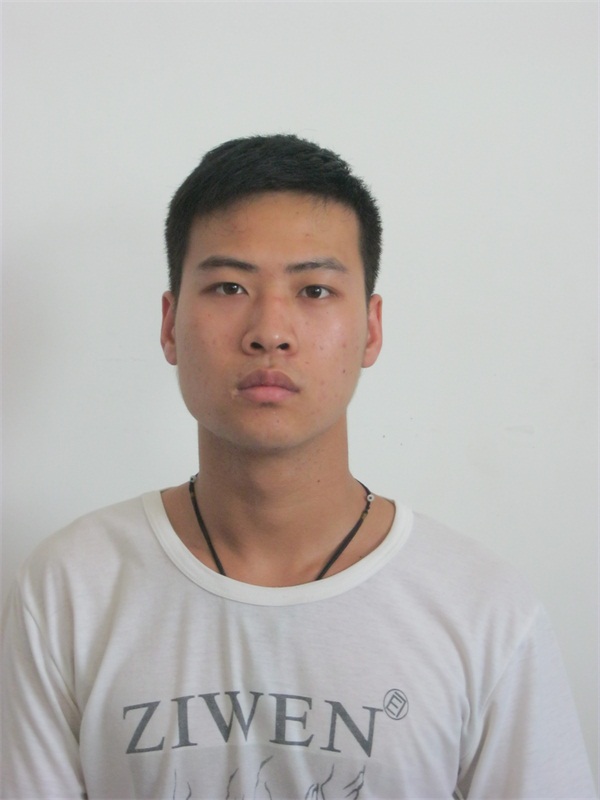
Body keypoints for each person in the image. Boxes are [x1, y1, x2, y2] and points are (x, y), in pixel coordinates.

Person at [1, 134, 596, 800]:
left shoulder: (483, 611)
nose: (270, 331)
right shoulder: (70, 589)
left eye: (314, 289)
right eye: (229, 286)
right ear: (169, 324)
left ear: (371, 329)